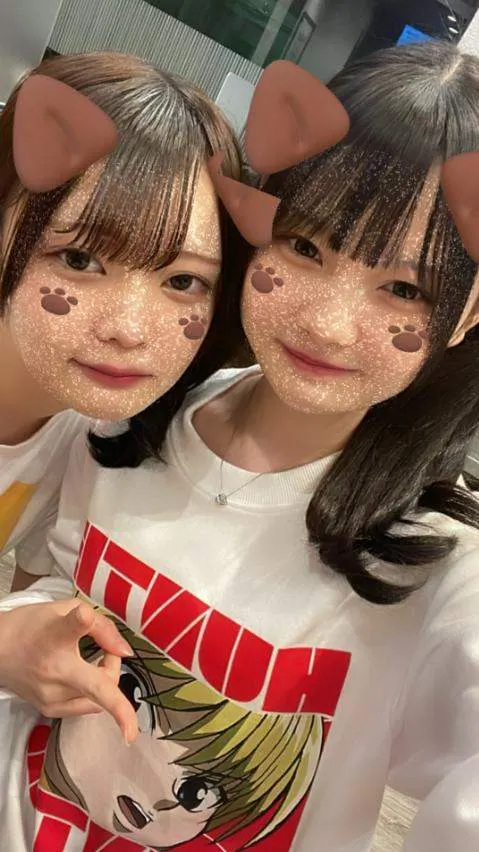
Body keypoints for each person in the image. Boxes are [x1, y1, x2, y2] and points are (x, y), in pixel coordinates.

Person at [2, 40, 479, 851]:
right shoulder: (124, 415)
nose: (328, 324)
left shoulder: (439, 563)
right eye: (305, 246)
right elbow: (47, 588)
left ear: (468, 314)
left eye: (404, 288)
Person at [0, 49, 242, 583]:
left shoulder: (90, 434)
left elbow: (33, 603)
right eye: (79, 259)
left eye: (183, 281)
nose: (129, 331)